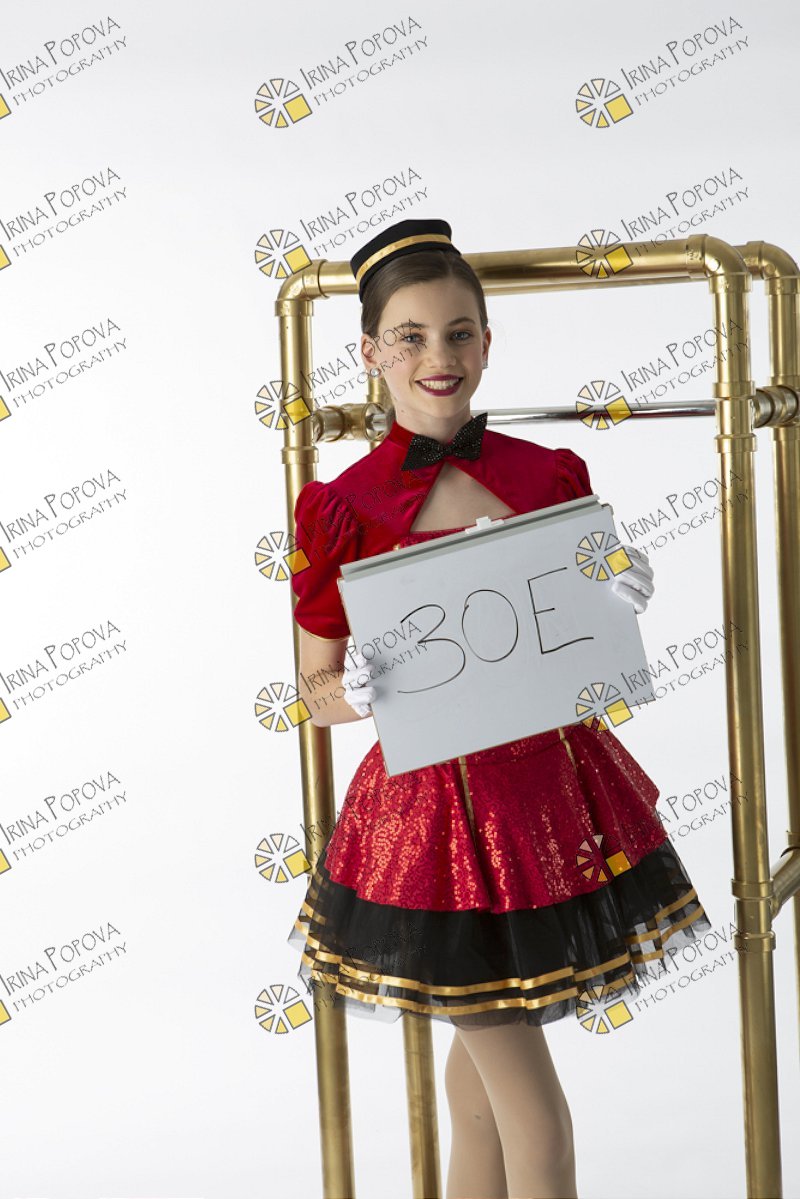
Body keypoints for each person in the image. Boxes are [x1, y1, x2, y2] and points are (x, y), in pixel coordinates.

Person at [286, 218, 711, 1198]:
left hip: (546, 801)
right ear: (370, 351)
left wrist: (615, 594)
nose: (437, 356)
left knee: (478, 1095)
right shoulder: (341, 508)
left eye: (458, 332)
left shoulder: (546, 475)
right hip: (433, 824)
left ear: (486, 341)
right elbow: (313, 688)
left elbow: (574, 635)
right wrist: (350, 691)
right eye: (410, 336)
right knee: (538, 1122)